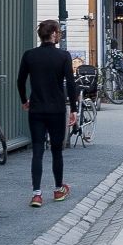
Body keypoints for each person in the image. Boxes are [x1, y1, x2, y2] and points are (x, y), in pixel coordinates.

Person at [17, 19, 81, 210]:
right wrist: (74, 109)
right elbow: (70, 83)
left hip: (36, 108)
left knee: (37, 150)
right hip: (56, 109)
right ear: (53, 33)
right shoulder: (63, 56)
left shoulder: (29, 55)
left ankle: (36, 194)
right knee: (56, 150)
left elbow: (20, 81)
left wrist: (24, 101)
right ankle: (58, 188)